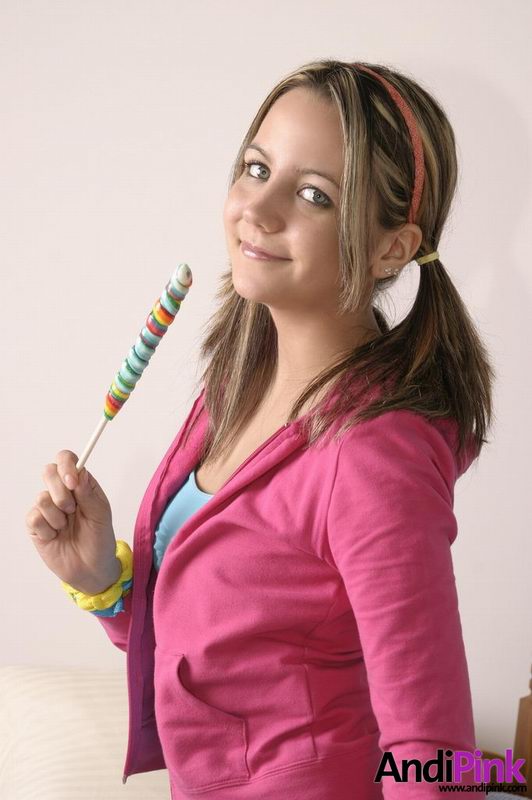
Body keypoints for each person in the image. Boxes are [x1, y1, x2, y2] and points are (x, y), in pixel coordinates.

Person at [25, 60, 494, 799]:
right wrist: (106, 584)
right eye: (255, 168)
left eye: (314, 195)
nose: (258, 209)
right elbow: (219, 656)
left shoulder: (375, 456)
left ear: (391, 248)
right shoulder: (233, 390)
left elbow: (433, 750)